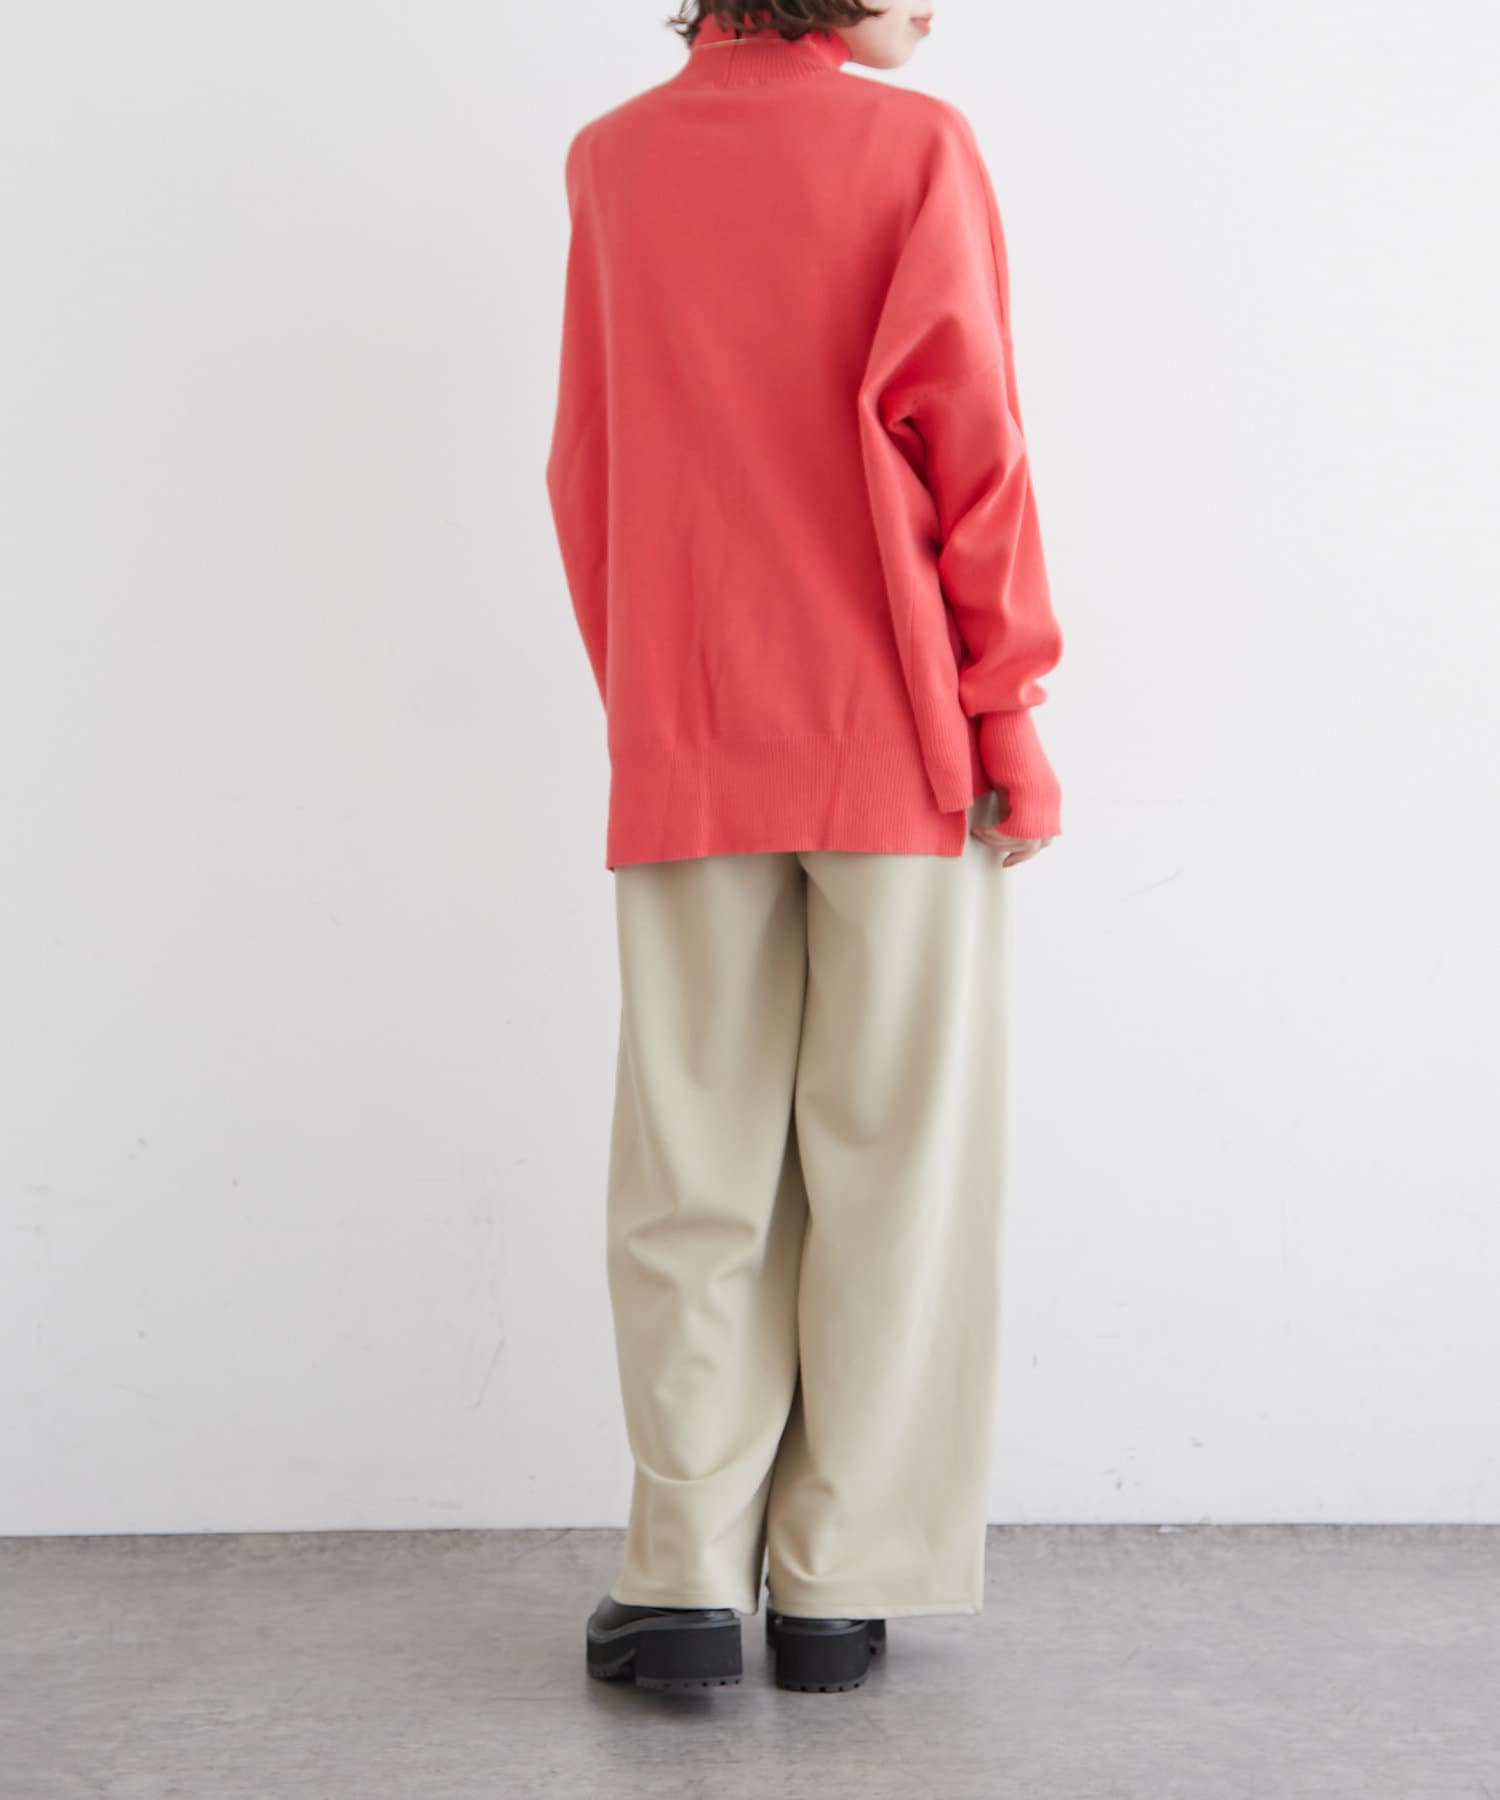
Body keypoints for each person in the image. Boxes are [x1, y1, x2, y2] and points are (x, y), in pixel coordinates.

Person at [545, 0, 1064, 1695]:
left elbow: (587, 468)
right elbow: (970, 442)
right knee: (894, 1167)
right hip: (897, 743)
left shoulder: (613, 162)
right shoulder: (912, 149)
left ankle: (683, 1581)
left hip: (689, 734)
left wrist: (656, 703)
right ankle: (840, 1589)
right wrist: (1008, 711)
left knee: (689, 1169)